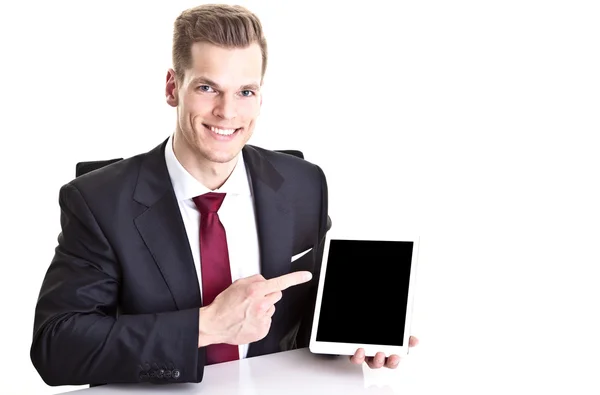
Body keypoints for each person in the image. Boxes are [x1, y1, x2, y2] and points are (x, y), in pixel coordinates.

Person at [30, 3, 418, 387]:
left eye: (245, 91)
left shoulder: (303, 183)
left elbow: (303, 311)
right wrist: (206, 326)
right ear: (172, 87)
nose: (227, 111)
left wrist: (357, 332)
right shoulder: (99, 201)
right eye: (206, 88)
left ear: (261, 96)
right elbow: (57, 347)